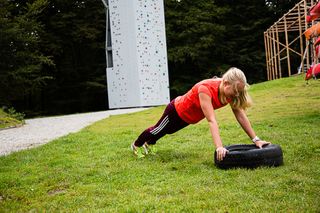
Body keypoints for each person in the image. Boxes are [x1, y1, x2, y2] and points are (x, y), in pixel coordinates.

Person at [131, 67, 270, 160]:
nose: (237, 95)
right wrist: (219, 147)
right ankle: (136, 145)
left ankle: (149, 143)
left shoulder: (230, 94)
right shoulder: (205, 89)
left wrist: (256, 139)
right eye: (235, 91)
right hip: (176, 111)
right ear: (226, 83)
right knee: (157, 129)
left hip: (189, 118)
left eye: (239, 92)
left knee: (168, 131)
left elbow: (240, 115)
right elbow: (211, 120)